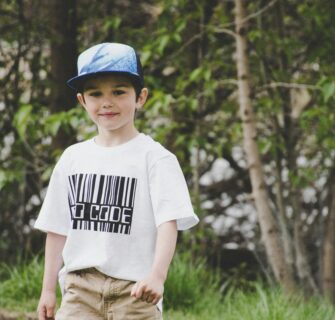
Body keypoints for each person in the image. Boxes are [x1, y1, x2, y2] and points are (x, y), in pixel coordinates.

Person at [35, 42, 199, 320]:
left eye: (119, 92)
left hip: (135, 291)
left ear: (141, 97)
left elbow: (168, 224)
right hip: (80, 287)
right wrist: (48, 290)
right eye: (95, 93)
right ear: (82, 101)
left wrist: (158, 276)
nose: (106, 102)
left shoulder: (156, 158)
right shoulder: (73, 158)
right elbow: (57, 228)